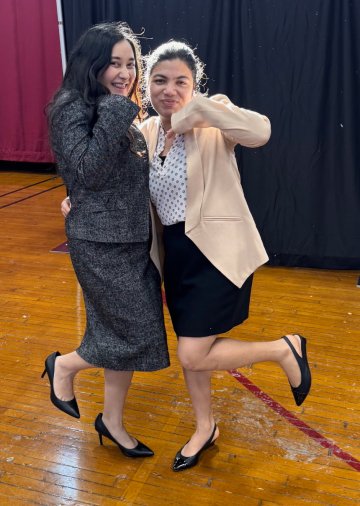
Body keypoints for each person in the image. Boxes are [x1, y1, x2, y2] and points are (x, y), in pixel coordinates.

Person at [61, 40, 312, 472]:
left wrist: (201, 108)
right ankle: (204, 426)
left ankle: (284, 350)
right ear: (147, 85)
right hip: (173, 256)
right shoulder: (144, 132)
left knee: (194, 354)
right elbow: (110, 181)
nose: (169, 89)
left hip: (216, 253)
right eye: (159, 80)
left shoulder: (213, 117)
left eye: (181, 81)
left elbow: (261, 132)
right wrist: (75, 201)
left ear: (195, 85)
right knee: (195, 345)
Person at [44, 22, 169, 459]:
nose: (125, 71)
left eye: (130, 62)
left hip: (130, 239)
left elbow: (113, 177)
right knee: (135, 331)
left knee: (118, 331)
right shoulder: (71, 105)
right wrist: (119, 107)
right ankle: (64, 365)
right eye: (114, 63)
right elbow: (87, 170)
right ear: (92, 63)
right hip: (99, 242)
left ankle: (112, 422)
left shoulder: (115, 109)